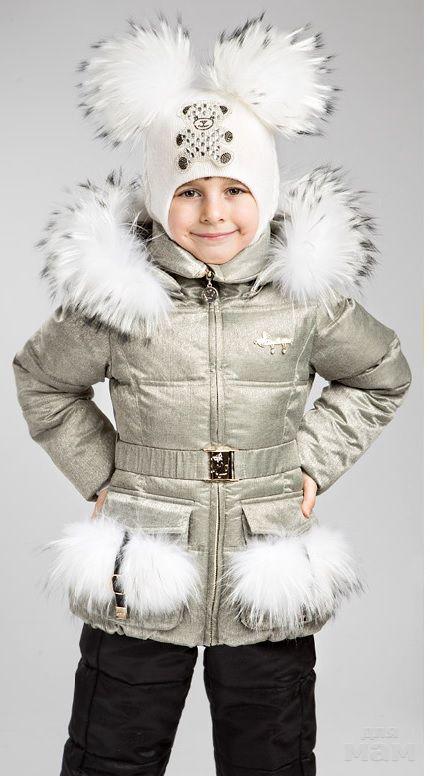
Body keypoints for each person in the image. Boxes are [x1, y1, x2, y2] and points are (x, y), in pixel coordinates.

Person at [12, 14, 412, 776]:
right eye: (189, 191)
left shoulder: (304, 300)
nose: (213, 212)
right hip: (145, 559)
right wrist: (102, 474)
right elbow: (42, 378)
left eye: (234, 189)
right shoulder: (119, 300)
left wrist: (311, 461)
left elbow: (381, 373)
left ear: (266, 191)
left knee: (273, 755)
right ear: (160, 197)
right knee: (110, 753)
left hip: (267, 558)